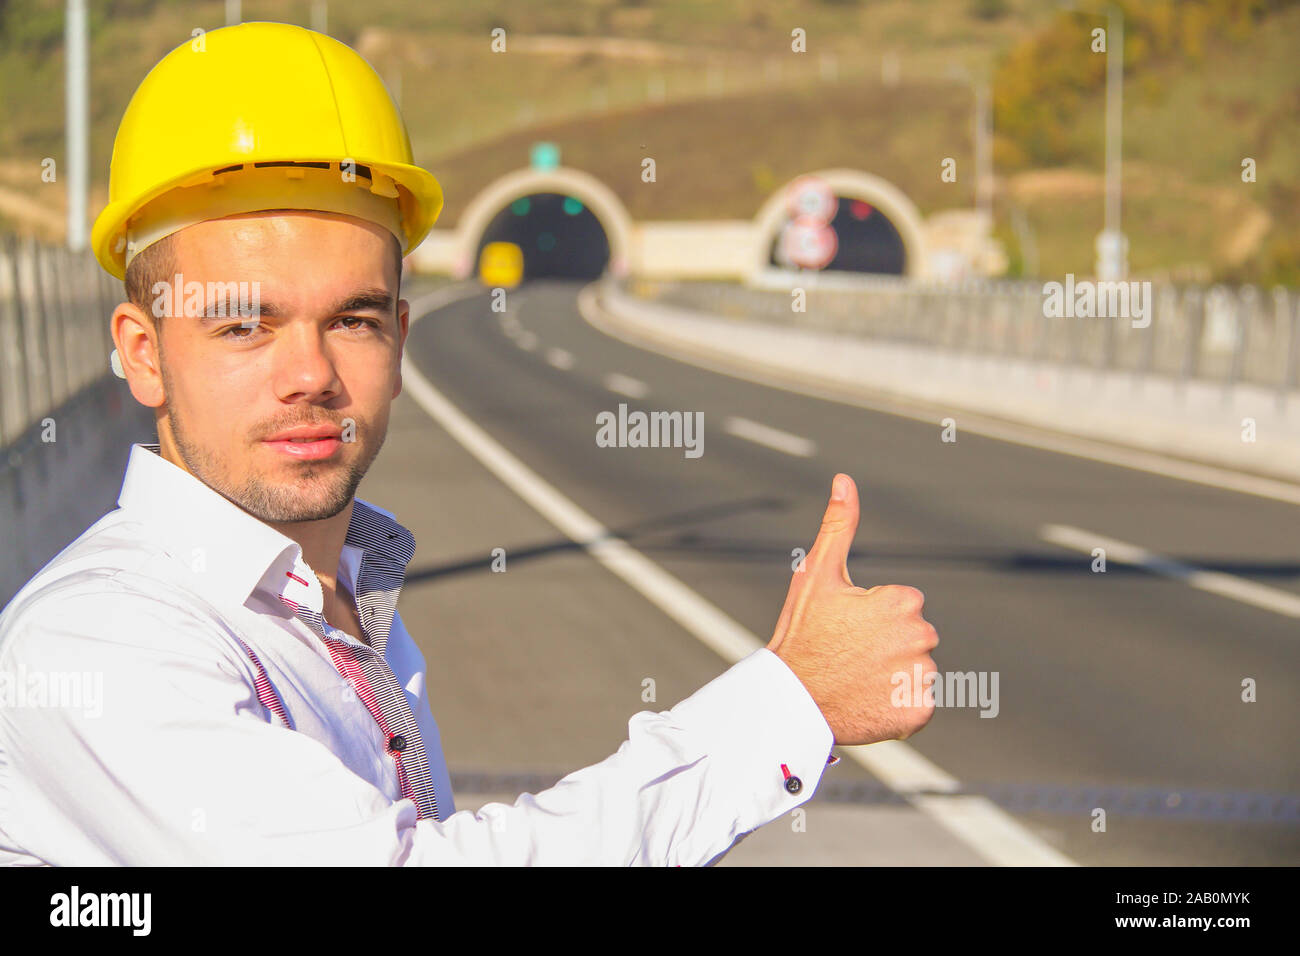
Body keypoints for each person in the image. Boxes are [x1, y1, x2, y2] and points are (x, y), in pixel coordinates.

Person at [0, 22, 938, 866]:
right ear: (143, 354)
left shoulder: (335, 600)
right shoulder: (98, 642)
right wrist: (790, 705)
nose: (311, 375)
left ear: (402, 342)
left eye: (354, 320)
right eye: (244, 326)